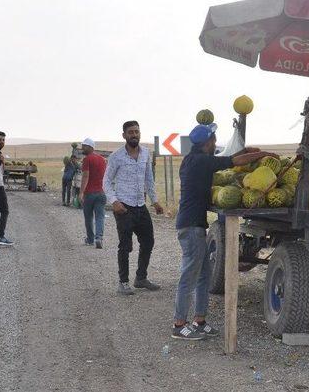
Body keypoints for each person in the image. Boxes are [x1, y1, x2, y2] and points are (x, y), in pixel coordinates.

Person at [171, 123, 278, 340]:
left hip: (194, 225)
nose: (215, 142)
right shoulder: (200, 161)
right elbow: (232, 161)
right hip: (190, 227)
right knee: (189, 275)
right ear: (208, 142)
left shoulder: (194, 159)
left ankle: (199, 321)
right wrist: (262, 154)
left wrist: (246, 152)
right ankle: (179, 324)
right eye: (214, 139)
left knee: (203, 275)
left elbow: (228, 157)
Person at [103, 121, 164, 296]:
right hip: (123, 207)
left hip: (140, 205)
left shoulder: (145, 153)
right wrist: (114, 201)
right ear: (124, 135)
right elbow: (106, 181)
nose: (134, 135)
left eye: (137, 131)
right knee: (125, 246)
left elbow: (149, 179)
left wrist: (155, 201)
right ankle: (123, 282)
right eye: (130, 132)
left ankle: (141, 278)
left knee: (148, 241)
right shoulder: (116, 156)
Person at [79, 138, 107, 249]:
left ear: (91, 147)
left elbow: (85, 176)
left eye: (84, 146)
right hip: (101, 193)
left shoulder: (87, 159)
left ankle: (90, 239)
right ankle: (99, 238)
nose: (82, 148)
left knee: (88, 217)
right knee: (100, 217)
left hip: (90, 193)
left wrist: (81, 192)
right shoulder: (102, 159)